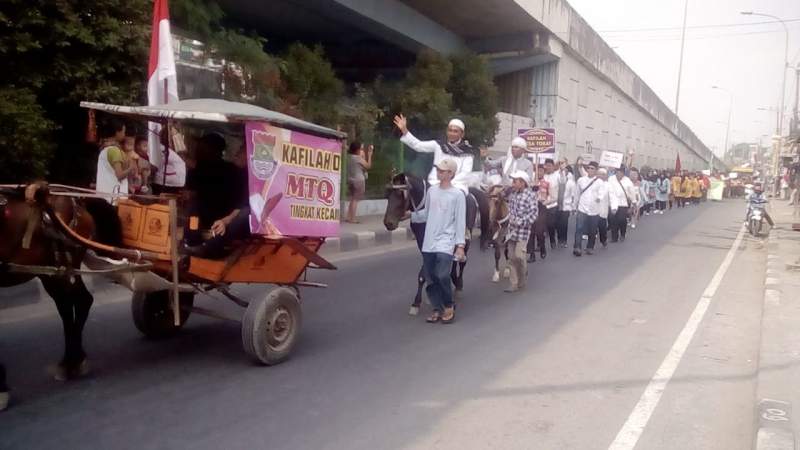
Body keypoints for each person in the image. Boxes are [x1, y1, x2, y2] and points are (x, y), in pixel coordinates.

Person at [394, 114, 488, 245]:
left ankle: (464, 230)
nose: (452, 133)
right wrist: (405, 130)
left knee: (464, 199)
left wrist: (448, 184)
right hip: (434, 182)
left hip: (457, 184)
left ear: (462, 133)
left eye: (455, 131)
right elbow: (418, 145)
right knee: (419, 196)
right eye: (450, 130)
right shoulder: (438, 145)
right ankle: (418, 226)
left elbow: (465, 173)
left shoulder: (468, 151)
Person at [413, 158, 466, 324]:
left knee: (442, 275)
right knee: (430, 277)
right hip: (429, 242)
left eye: (442, 171)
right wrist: (411, 215)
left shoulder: (458, 195)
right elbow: (427, 213)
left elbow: (460, 221)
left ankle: (449, 305)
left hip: (446, 241)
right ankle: (437, 308)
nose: (439, 173)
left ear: (451, 174)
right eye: (438, 170)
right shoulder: (432, 191)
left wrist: (460, 246)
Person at [183, 133, 250, 258]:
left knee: (245, 213)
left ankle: (208, 247)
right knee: (194, 207)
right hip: (203, 217)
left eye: (202, 147)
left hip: (228, 218)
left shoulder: (233, 171)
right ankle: (192, 241)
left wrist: (226, 220)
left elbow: (243, 205)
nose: (198, 149)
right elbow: (191, 193)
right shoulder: (196, 170)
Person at [504, 171, 538, 293]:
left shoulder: (531, 196)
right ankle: (513, 283)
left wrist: (520, 221)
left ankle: (522, 277)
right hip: (511, 231)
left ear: (522, 182)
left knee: (519, 256)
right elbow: (510, 211)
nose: (512, 183)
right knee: (511, 257)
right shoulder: (512, 195)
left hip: (523, 232)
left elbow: (534, 215)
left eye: (515, 181)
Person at [95, 117, 130, 203]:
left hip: (103, 196)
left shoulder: (104, 149)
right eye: (123, 131)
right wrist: (131, 168)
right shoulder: (114, 151)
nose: (124, 134)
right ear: (117, 132)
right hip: (114, 199)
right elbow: (120, 175)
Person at [573, 161, 603, 257]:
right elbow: (577, 194)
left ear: (596, 170)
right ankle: (577, 247)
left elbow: (602, 193)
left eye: (592, 168)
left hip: (594, 210)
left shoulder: (599, 182)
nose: (590, 170)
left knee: (592, 230)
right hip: (582, 208)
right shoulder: (581, 180)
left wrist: (599, 197)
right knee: (579, 228)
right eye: (589, 168)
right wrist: (574, 206)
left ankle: (590, 247)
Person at [345, 141, 373, 224]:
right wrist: (370, 155)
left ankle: (348, 217)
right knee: (355, 200)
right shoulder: (358, 158)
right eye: (360, 148)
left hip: (350, 179)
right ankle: (352, 219)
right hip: (359, 180)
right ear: (357, 150)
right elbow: (368, 166)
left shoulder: (349, 157)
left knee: (352, 199)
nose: (361, 150)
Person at [608, 166, 635, 242]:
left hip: (623, 204)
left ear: (623, 173)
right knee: (613, 220)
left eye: (620, 172)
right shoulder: (611, 179)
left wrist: (633, 204)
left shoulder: (627, 181)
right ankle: (614, 237)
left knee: (621, 220)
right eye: (617, 172)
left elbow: (632, 193)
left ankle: (623, 233)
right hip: (613, 203)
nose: (619, 174)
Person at [528, 166, 549, 262]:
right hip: (531, 208)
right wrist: (532, 189)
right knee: (531, 232)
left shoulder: (547, 183)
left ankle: (542, 247)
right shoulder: (529, 183)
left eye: (541, 171)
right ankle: (532, 255)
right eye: (537, 171)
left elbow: (552, 196)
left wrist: (545, 201)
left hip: (541, 207)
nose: (539, 173)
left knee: (539, 231)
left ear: (544, 172)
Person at [542, 158, 561, 249]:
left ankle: (552, 240)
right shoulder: (542, 176)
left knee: (550, 224)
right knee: (540, 225)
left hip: (552, 203)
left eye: (550, 166)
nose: (548, 167)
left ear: (553, 167)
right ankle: (540, 244)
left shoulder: (557, 176)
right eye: (546, 166)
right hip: (542, 203)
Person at [556, 162, 577, 247]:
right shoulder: (557, 180)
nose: (564, 171)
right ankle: (559, 239)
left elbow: (573, 196)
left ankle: (564, 241)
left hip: (566, 206)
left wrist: (573, 207)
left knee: (564, 223)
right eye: (562, 169)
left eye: (565, 170)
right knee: (557, 224)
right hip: (557, 205)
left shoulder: (571, 183)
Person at [595, 168, 610, 248]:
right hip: (593, 209)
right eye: (599, 174)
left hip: (603, 209)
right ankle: (590, 244)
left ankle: (603, 240)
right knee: (592, 226)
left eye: (603, 174)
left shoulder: (607, 185)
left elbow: (605, 194)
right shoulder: (593, 182)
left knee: (602, 227)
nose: (600, 176)